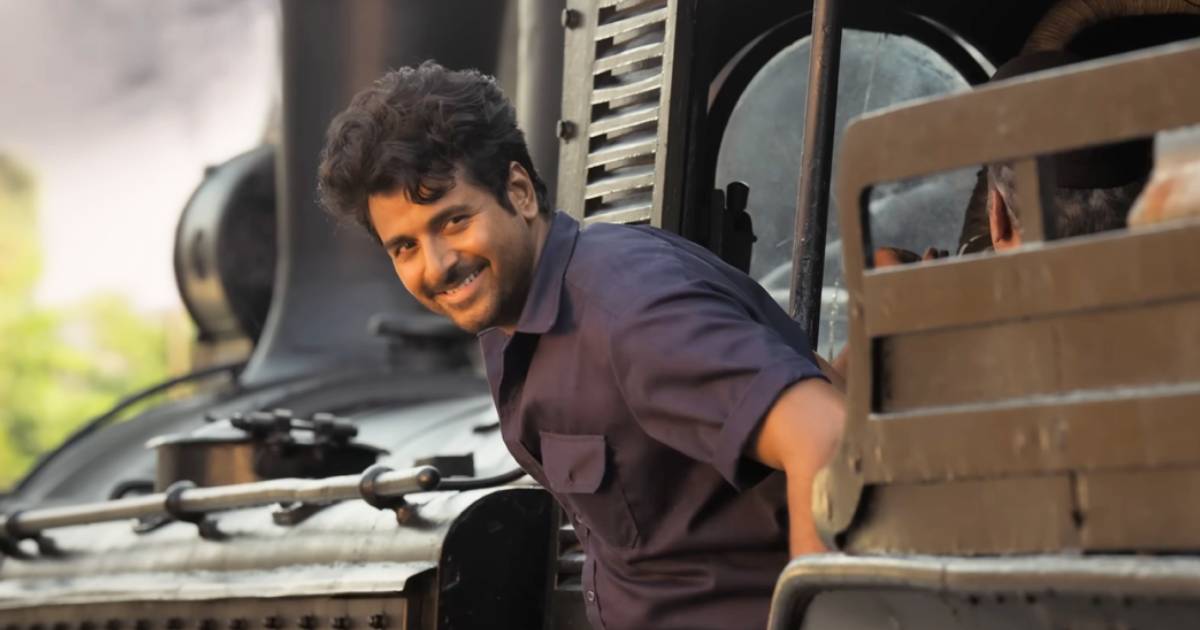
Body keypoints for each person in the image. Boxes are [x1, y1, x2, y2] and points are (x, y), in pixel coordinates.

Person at [317, 61, 845, 630]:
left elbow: (827, 437)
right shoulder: (511, 323)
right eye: (405, 248)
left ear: (519, 192)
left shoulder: (629, 311)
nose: (437, 264)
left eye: (454, 221)